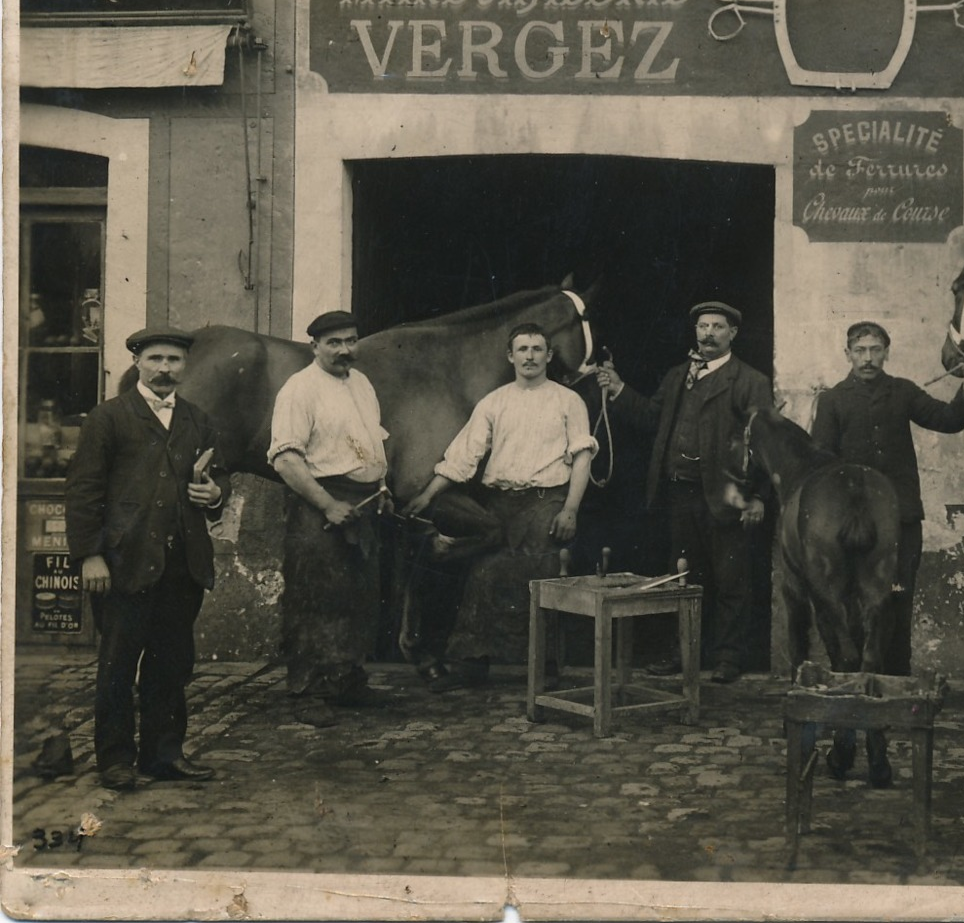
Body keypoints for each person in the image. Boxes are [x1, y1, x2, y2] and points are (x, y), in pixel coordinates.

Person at [65, 326, 230, 790]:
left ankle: (164, 754)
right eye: (155, 358)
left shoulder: (199, 420)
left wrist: (216, 493)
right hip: (125, 564)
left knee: (172, 663)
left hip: (182, 566)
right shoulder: (109, 418)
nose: (164, 369)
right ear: (137, 362)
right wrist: (89, 556)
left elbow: (220, 478)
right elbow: (82, 492)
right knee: (118, 663)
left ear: (185, 367)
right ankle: (115, 759)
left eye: (174, 361)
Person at [403, 323, 597, 692]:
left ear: (549, 356)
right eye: (522, 349)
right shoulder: (494, 402)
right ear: (510, 356)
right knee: (483, 574)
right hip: (500, 504)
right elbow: (463, 456)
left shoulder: (567, 400)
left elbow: (583, 458)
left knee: (541, 577)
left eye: (537, 349)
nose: (529, 356)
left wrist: (570, 509)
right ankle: (473, 664)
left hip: (547, 501)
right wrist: (428, 495)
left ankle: (547, 667)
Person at [597, 301, 773, 684]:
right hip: (680, 495)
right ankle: (683, 653)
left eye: (717, 327)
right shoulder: (679, 375)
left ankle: (728, 657)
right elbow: (650, 417)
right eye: (702, 326)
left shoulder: (749, 381)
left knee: (731, 581)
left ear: (733, 334)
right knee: (682, 581)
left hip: (728, 497)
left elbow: (763, 441)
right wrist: (619, 389)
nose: (708, 333)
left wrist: (758, 495)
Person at [809, 320, 964, 675]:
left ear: (886, 353)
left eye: (875, 350)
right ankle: (854, 684)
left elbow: (947, 420)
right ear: (848, 354)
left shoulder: (904, 392)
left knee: (898, 599)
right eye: (860, 350)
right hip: (852, 528)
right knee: (853, 603)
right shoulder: (832, 401)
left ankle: (898, 682)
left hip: (901, 521)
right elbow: (821, 463)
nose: (867, 358)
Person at [268, 310, 391, 726]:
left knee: (357, 597)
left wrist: (382, 489)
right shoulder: (299, 390)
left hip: (363, 505)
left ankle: (347, 681)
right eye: (334, 342)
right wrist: (326, 504)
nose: (344, 350)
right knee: (315, 598)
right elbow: (286, 459)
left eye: (351, 341)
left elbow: (370, 441)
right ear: (314, 346)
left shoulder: (362, 383)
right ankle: (307, 692)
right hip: (319, 508)